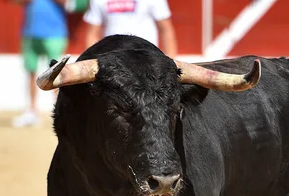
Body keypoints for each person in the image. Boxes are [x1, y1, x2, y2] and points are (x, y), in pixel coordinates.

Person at [12, 0, 69, 128]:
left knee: (56, 74)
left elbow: (68, 2)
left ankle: (60, 111)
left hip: (54, 34)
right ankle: (32, 111)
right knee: (31, 73)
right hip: (30, 33)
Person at [83, 0, 177, 57]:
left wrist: (171, 60)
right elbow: (92, 33)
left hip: (147, 58)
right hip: (111, 61)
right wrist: (92, 60)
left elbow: (165, 29)